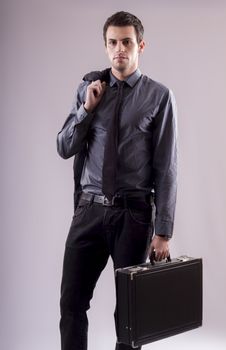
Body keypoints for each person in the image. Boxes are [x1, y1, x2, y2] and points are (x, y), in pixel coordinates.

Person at [57, 10, 177, 350]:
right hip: (89, 213)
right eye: (112, 43)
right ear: (106, 47)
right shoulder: (89, 89)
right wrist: (86, 109)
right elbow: (64, 146)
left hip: (133, 216)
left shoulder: (159, 97)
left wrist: (163, 231)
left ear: (141, 45)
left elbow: (166, 167)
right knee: (71, 305)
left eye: (126, 42)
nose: (119, 49)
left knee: (129, 314)